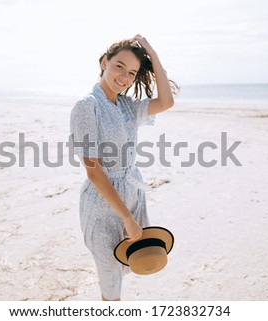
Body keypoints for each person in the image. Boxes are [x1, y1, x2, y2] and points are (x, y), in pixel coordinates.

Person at [70, 34, 178, 301]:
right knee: (110, 279)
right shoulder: (87, 107)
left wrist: (153, 56)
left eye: (132, 72)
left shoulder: (127, 105)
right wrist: (127, 219)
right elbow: (94, 171)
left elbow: (166, 102)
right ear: (104, 62)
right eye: (119, 66)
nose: (124, 76)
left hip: (133, 193)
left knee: (133, 261)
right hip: (103, 204)